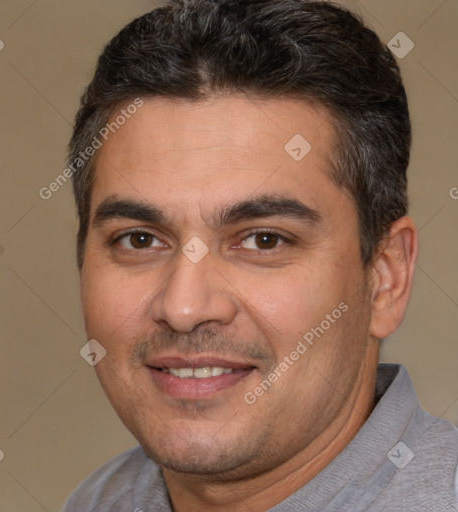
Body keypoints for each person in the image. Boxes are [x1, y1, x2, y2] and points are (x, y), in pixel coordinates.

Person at [62, 0, 458, 510]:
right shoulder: (98, 501)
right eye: (140, 239)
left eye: (263, 240)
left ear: (386, 277)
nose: (184, 308)